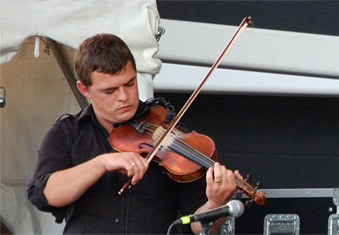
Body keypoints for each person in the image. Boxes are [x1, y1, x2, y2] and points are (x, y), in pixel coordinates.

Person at [27, 33, 241, 234]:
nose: (124, 97)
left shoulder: (167, 132)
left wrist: (216, 203)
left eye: (130, 83)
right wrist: (102, 163)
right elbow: (45, 194)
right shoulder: (68, 133)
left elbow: (197, 226)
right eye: (110, 90)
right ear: (85, 90)